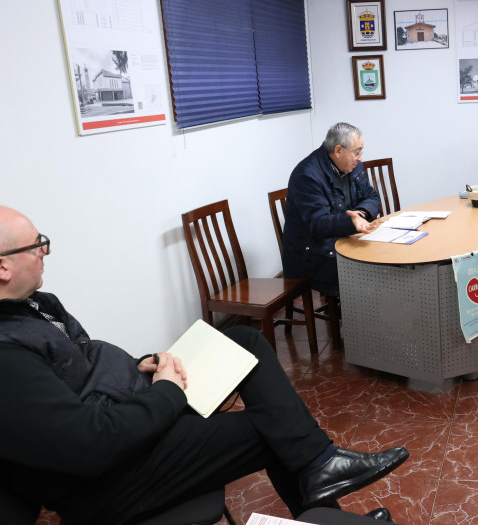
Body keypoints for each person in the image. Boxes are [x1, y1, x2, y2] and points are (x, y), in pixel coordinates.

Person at [0, 206, 407, 524]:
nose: (45, 251)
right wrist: (167, 392)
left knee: (244, 341)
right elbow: (89, 444)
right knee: (269, 428)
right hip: (113, 480)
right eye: (36, 245)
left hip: (136, 409)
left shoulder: (37, 305)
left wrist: (139, 365)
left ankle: (321, 469)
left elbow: (82, 368)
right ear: (3, 268)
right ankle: (324, 489)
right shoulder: (7, 357)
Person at [283, 122, 380, 297]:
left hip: (342, 240)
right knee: (374, 273)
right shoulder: (307, 176)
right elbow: (319, 224)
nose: (360, 158)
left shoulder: (354, 166)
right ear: (338, 150)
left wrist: (361, 214)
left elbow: (372, 197)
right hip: (313, 255)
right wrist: (351, 221)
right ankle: (359, 320)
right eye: (357, 152)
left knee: (383, 258)